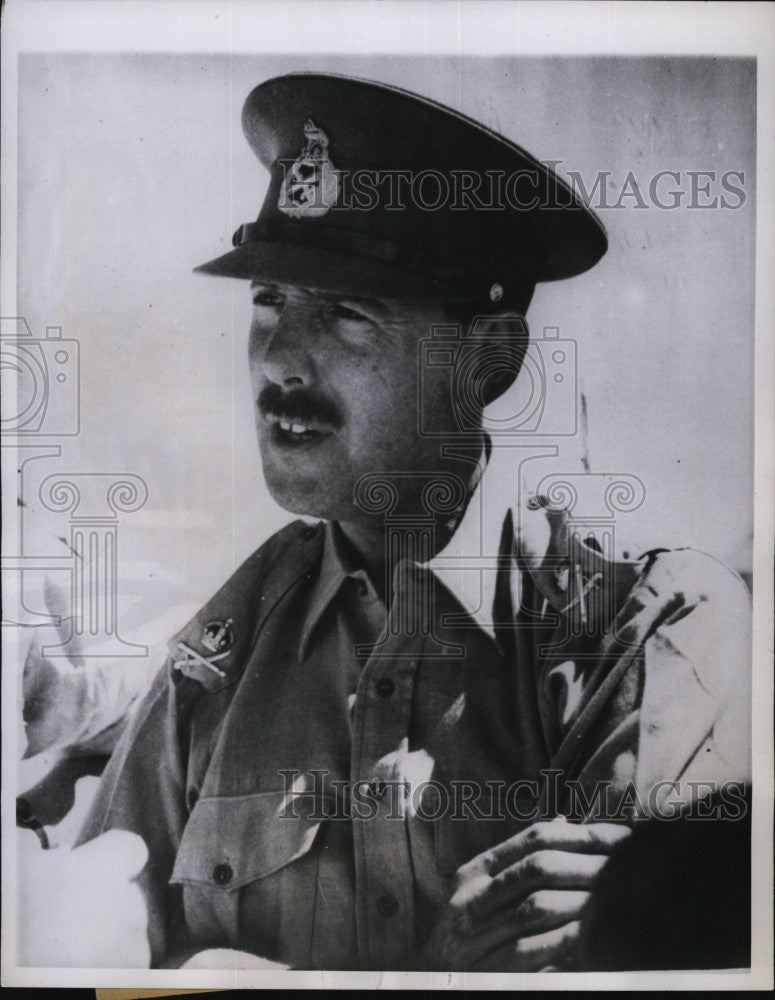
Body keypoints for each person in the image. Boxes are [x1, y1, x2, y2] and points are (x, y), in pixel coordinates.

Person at [63, 73, 750, 971]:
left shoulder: (641, 629)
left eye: (346, 314)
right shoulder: (216, 660)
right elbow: (94, 971)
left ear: (487, 362)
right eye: (268, 299)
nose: (276, 359)